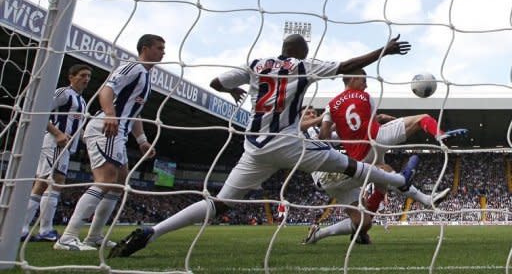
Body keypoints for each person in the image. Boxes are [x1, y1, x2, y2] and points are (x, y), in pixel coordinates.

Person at [109, 33, 416, 258]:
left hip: (255, 147)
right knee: (347, 164)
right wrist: (384, 51)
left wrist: (235, 90)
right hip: (289, 143)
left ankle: (151, 232)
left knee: (220, 202)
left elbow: (217, 82)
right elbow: (349, 64)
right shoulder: (302, 66)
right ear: (301, 51)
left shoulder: (256, 64)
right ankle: (400, 181)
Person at [54, 34, 165, 251]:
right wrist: (109, 114)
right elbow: (107, 89)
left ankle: (94, 236)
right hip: (105, 127)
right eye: (159, 47)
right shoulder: (132, 67)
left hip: (119, 132)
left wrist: (142, 140)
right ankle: (67, 238)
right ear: (145, 48)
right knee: (106, 180)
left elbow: (135, 113)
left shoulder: (146, 77)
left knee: (119, 184)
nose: (163, 52)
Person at [318, 68, 465, 215]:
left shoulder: (331, 105)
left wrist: (339, 126)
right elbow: (371, 121)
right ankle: (441, 135)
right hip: (377, 138)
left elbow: (324, 136)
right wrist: (383, 119)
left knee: (384, 176)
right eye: (364, 80)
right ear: (353, 78)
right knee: (422, 118)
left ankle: (424, 200)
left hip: (359, 158)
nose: (366, 85)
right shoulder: (365, 96)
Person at [299, 106, 447, 245]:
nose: (312, 114)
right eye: (308, 113)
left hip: (337, 176)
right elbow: (317, 135)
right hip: (327, 175)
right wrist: (325, 118)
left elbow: (348, 131)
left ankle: (317, 234)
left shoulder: (323, 133)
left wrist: (374, 119)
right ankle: (426, 199)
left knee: (363, 222)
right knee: (383, 169)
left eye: (314, 113)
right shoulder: (297, 131)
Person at [21, 64, 92, 242]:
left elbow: (77, 127)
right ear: (71, 77)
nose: (86, 79)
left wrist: (87, 140)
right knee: (46, 181)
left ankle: (42, 229)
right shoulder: (64, 93)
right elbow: (41, 111)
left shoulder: (82, 101)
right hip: (53, 142)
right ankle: (27, 228)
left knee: (52, 183)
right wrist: (57, 133)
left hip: (66, 147)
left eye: (88, 77)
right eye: (83, 75)